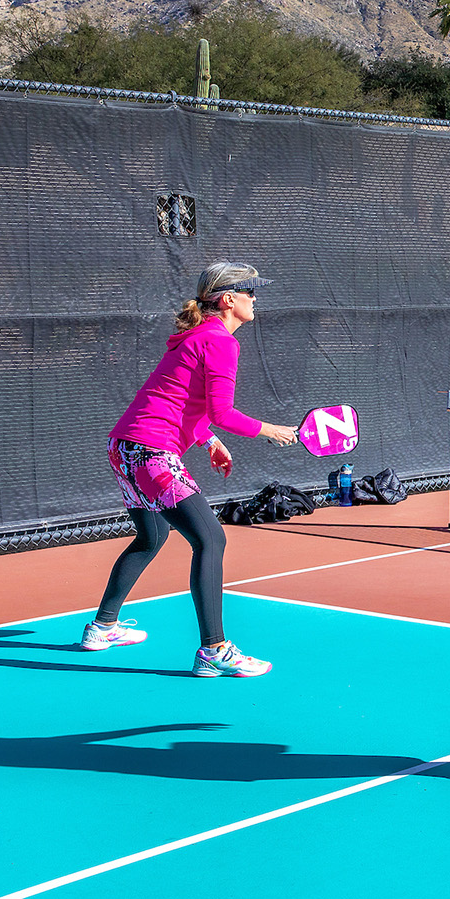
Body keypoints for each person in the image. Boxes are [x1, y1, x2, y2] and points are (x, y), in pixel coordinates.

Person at [83, 263, 297, 675]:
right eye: (250, 292)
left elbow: (176, 398)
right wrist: (271, 430)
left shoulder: (195, 337)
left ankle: (102, 627)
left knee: (152, 536)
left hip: (124, 447)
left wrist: (208, 441)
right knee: (211, 539)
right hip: (150, 451)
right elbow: (222, 411)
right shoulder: (220, 341)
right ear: (228, 299)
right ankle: (214, 650)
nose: (256, 299)